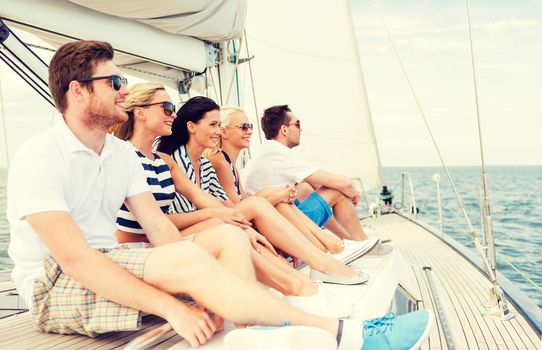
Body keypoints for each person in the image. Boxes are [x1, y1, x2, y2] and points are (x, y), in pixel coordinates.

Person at [6, 40, 432, 350]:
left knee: (225, 237)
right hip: (53, 282)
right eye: (114, 80)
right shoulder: (40, 157)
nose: (123, 88)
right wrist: (174, 305)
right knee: (202, 250)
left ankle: (249, 333)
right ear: (77, 90)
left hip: (110, 260)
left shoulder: (118, 154)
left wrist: (196, 275)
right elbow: (75, 260)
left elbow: (160, 230)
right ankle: (343, 333)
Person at [110, 83, 352, 318]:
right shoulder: (123, 156)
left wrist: (239, 221)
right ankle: (296, 285)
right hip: (140, 247)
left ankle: (301, 283)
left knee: (236, 220)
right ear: (140, 112)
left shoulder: (164, 161)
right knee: (226, 224)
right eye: (166, 108)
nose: (173, 115)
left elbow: (204, 199)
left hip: (166, 237)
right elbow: (156, 222)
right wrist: (221, 217)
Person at [156, 96, 377, 285]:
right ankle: (326, 254)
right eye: (213, 125)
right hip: (185, 234)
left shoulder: (204, 165)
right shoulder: (175, 161)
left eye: (218, 125)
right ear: (191, 126)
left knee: (270, 200)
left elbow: (228, 206)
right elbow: (167, 220)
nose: (217, 131)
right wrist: (265, 200)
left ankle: (327, 251)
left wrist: (252, 208)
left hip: (212, 223)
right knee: (266, 201)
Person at [242, 105, 392, 255]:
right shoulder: (278, 153)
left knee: (305, 188)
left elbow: (317, 183)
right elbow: (343, 183)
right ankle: (362, 242)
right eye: (297, 124)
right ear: (284, 130)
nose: (301, 129)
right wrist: (351, 191)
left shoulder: (267, 151)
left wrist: (346, 189)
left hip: (270, 225)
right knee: (336, 190)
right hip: (280, 232)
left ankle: (348, 242)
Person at [208, 106, 358, 257]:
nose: (249, 131)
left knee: (284, 192)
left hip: (264, 219)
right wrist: (278, 197)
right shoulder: (221, 163)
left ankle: (327, 244)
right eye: (244, 127)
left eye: (250, 127)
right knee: (329, 191)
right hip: (255, 226)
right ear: (224, 131)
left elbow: (246, 202)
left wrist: (278, 196)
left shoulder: (230, 162)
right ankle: (334, 245)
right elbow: (238, 213)